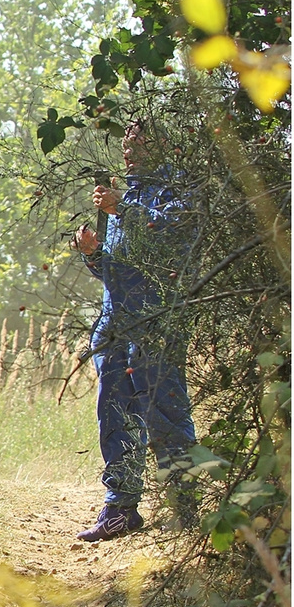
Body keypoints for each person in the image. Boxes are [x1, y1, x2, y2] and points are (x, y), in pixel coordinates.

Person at [73, 119, 197, 542]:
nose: (130, 152)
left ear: (163, 147)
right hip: (116, 325)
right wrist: (93, 253)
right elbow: (116, 269)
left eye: (140, 144)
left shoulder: (175, 190)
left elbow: (171, 238)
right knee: (116, 413)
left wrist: (122, 207)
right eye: (127, 144)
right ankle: (120, 508)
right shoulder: (122, 199)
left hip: (156, 323)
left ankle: (186, 508)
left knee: (164, 411)